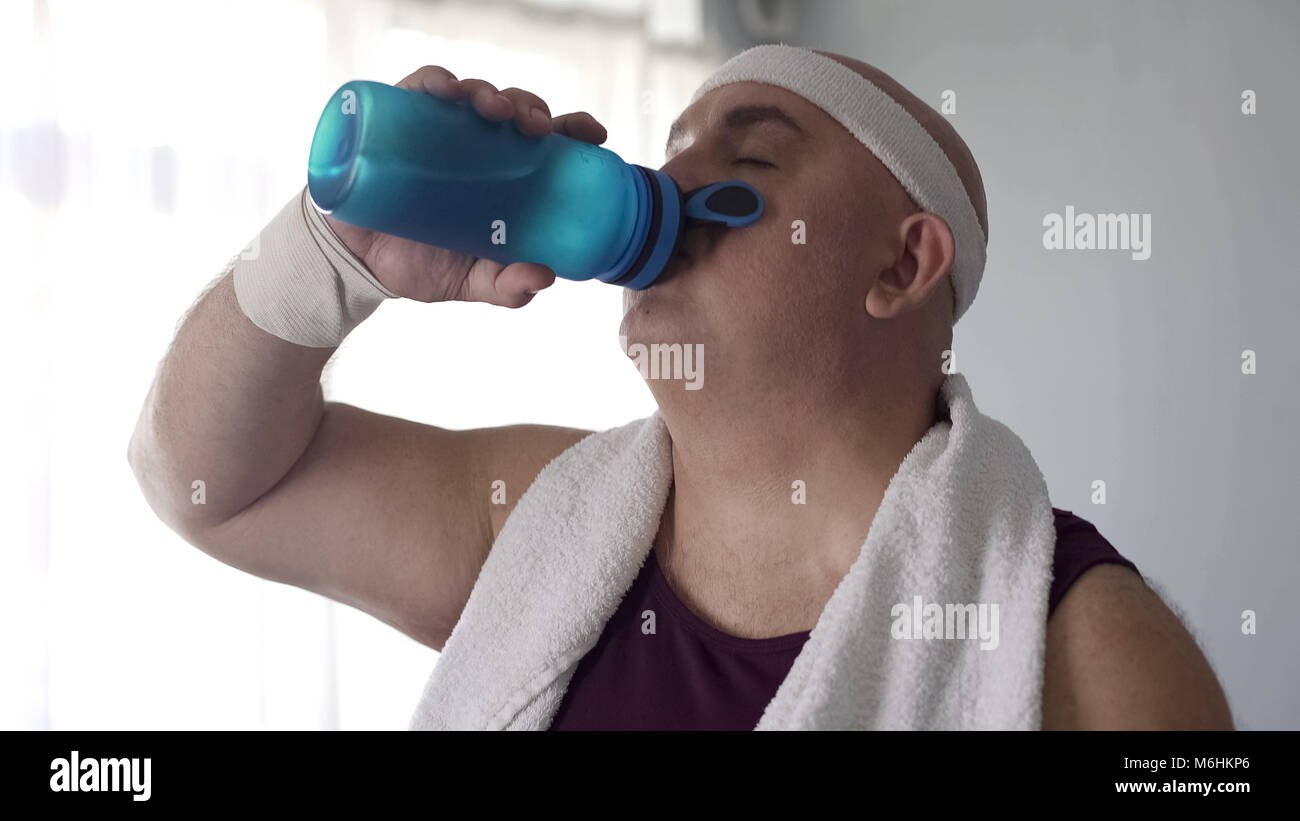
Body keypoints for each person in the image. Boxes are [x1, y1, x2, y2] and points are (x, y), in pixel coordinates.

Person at [128, 46, 1233, 730]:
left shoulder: (1084, 649)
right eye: (671, 150)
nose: (669, 185)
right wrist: (329, 257)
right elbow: (208, 486)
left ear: (903, 264)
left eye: (748, 160)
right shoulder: (534, 520)